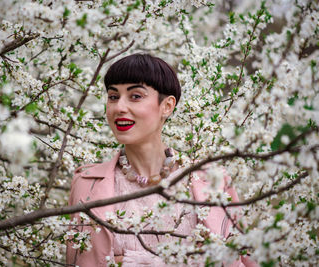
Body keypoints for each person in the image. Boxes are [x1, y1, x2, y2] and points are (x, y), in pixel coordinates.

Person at [66, 54, 257, 267]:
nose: (119, 107)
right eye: (113, 96)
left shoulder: (213, 180)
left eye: (135, 96)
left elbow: (241, 260)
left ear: (167, 106)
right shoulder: (87, 184)